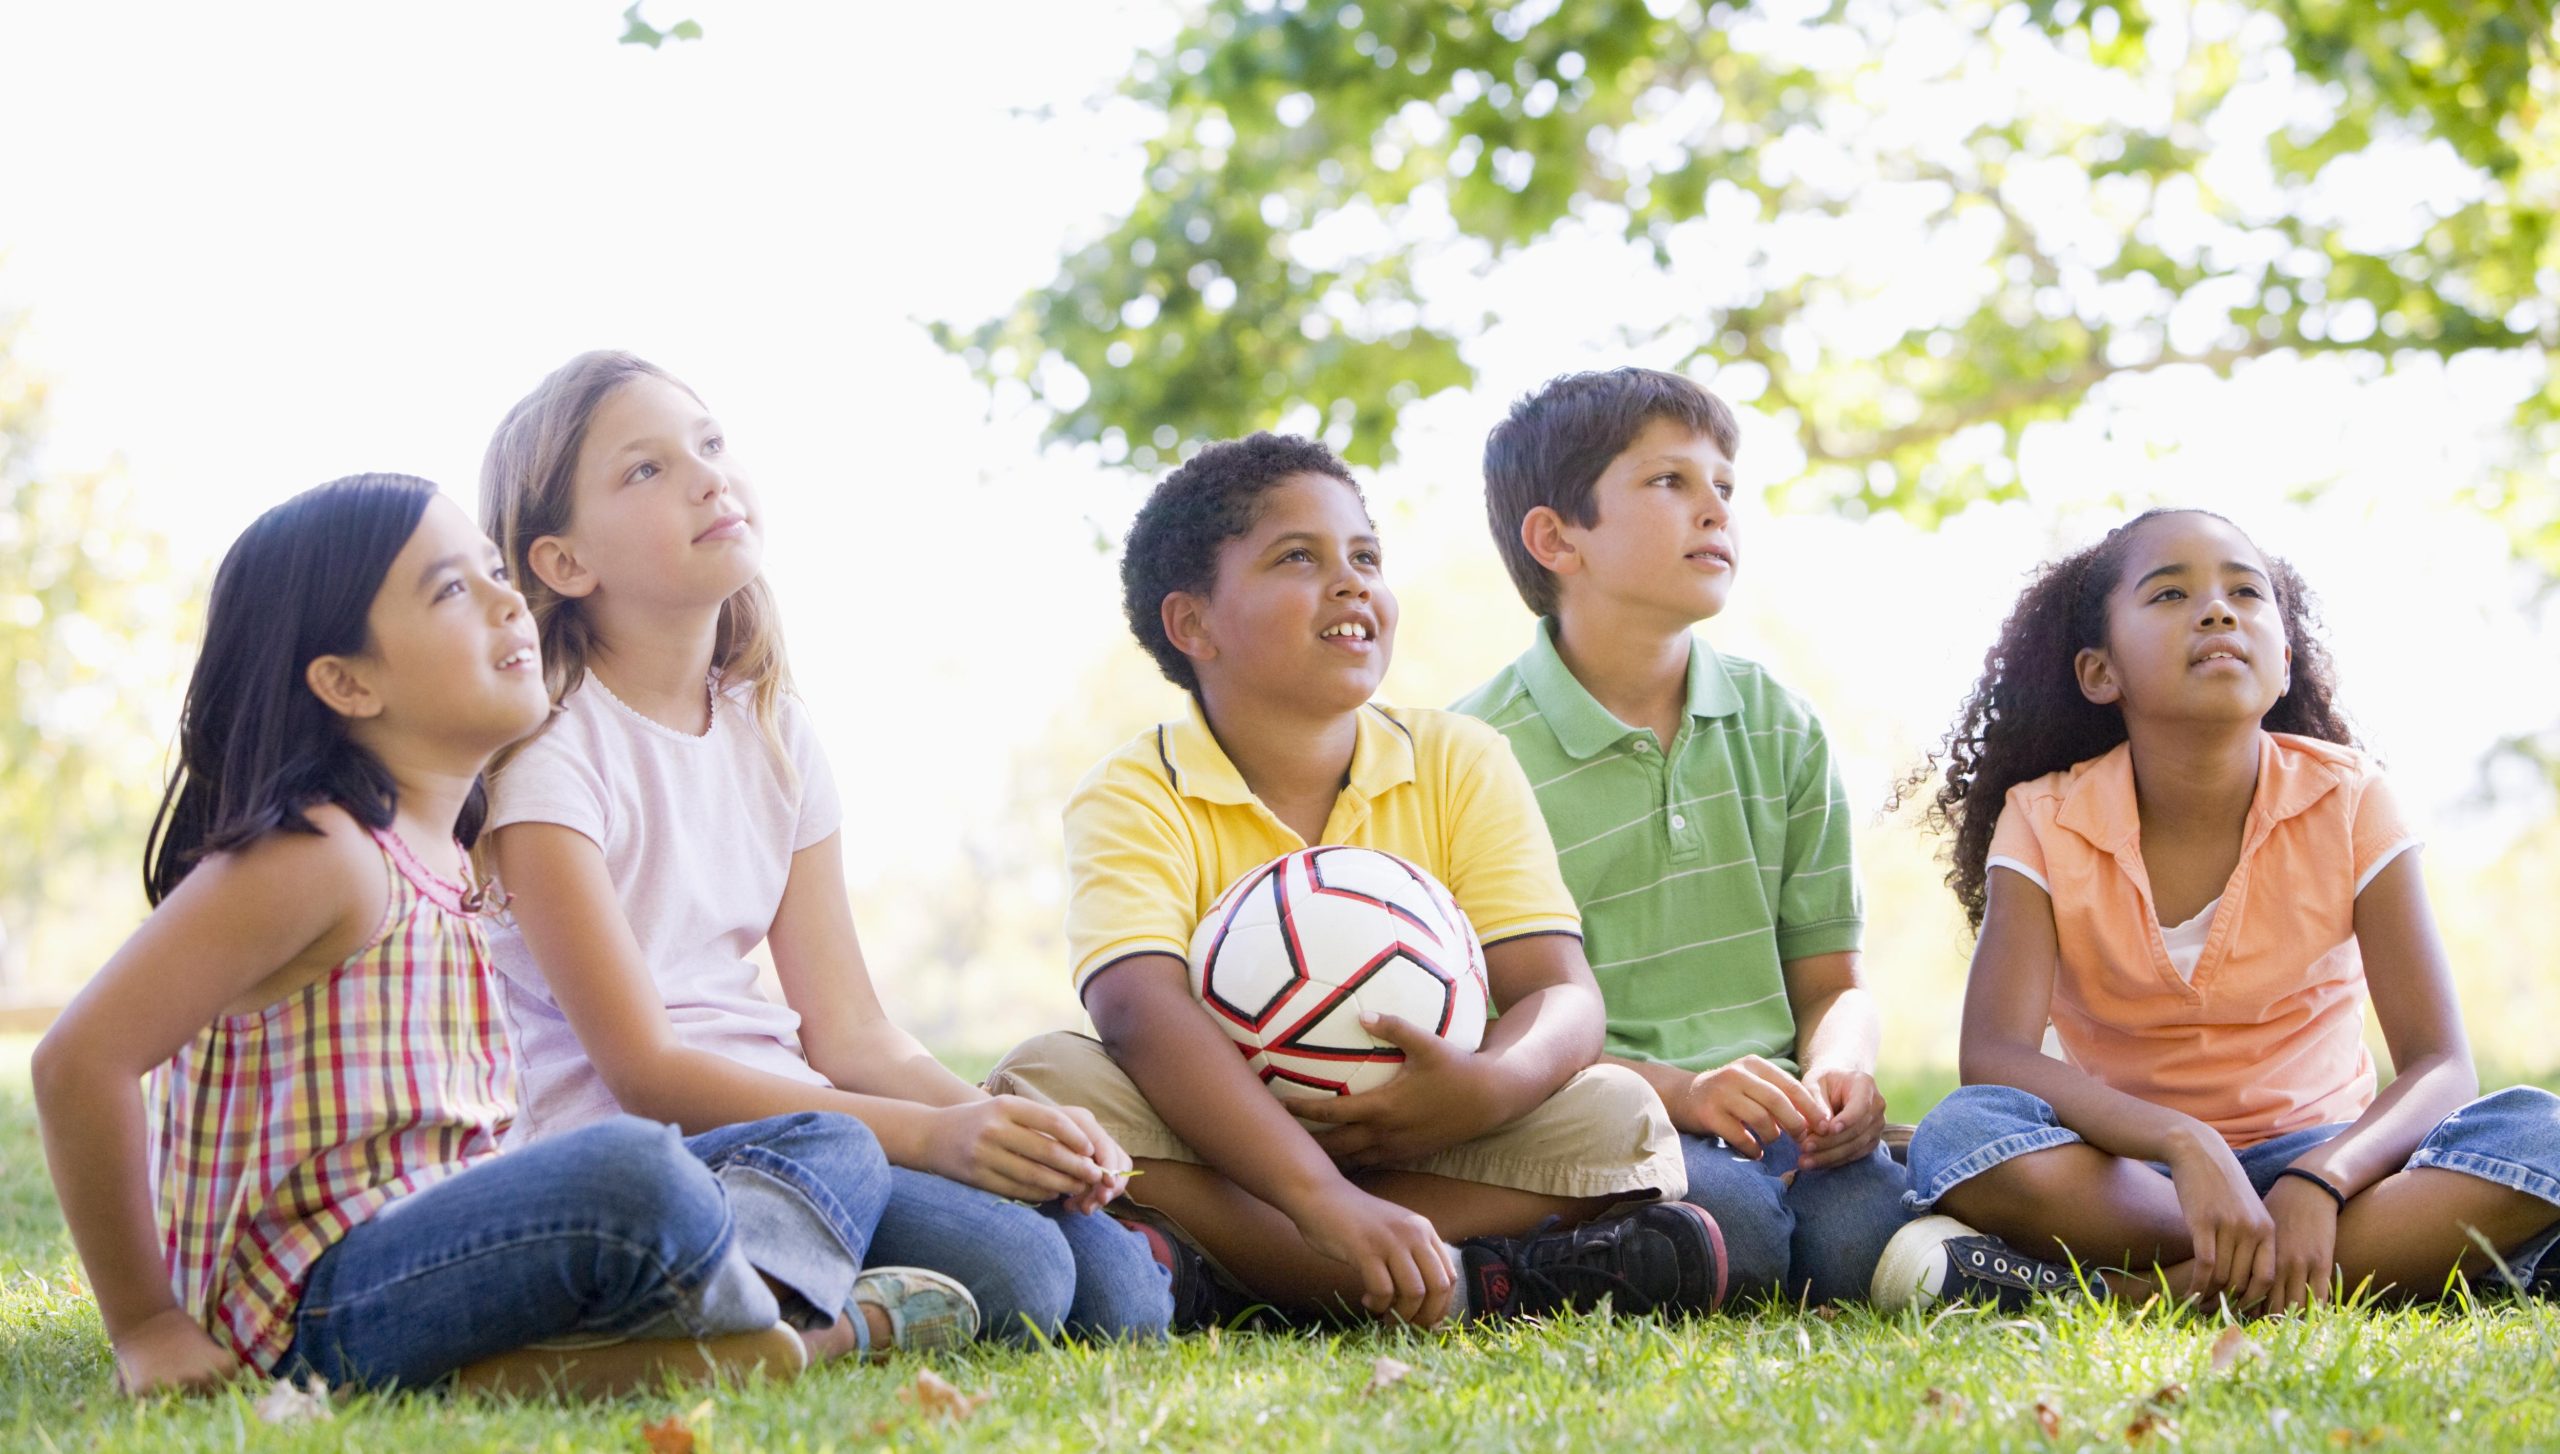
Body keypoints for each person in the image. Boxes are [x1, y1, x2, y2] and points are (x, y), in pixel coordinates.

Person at [33, 475, 899, 1396]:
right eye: (452, 589)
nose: (505, 600)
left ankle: (663, 1347)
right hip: (312, 1298)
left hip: (445, 1249)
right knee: (635, 1173)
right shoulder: (320, 850)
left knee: (827, 1138)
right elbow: (78, 1062)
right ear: (347, 681)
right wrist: (147, 1325)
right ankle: (762, 1323)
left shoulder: (447, 854)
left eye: (495, 573)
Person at [478, 352, 1168, 1345]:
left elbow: (850, 1030)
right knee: (1017, 1263)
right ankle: (744, 1332)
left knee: (1117, 1289)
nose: (707, 476)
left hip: (808, 1125)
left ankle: (797, 1309)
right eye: (646, 469)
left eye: (709, 445)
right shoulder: (549, 752)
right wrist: (933, 1138)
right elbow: (647, 1068)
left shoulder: (772, 731)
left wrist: (998, 1123)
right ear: (563, 562)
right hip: (660, 1153)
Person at [990, 431, 1728, 1330]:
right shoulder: (1135, 789)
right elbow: (1138, 1013)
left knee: (1620, 1116)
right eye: (1297, 557)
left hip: (1432, 1136)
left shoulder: (1458, 758)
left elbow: (1562, 995)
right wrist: (1317, 1196)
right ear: (1194, 625)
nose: (1351, 583)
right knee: (1044, 1079)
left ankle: (1222, 1269)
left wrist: (1484, 1087)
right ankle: (1450, 1280)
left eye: (1366, 556)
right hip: (1219, 1138)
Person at [1878, 507, 2560, 1313]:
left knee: (2541, 1131)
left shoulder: (2350, 799)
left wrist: (2322, 1178)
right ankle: (2353, 1270)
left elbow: (2442, 1066)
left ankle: (2144, 1294)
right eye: (2170, 595)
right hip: (2134, 1175)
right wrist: (2182, 1139)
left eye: (2247, 592)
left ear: (2282, 663)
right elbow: (1995, 1055)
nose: (2217, 609)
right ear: (2102, 674)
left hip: (2329, 1168)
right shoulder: (2044, 818)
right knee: (1963, 1135)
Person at [1451, 367, 1912, 1307]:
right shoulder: (1474, 757)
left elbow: (1833, 985)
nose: (1715, 507)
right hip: (1599, 1117)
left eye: (1726, 487)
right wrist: (1683, 1092)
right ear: (1556, 537)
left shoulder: (1781, 724)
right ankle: (1544, 1255)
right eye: (1670, 482)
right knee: (1735, 1231)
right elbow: (1494, 1031)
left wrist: (1838, 1073)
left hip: (1774, 1122)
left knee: (1865, 1236)